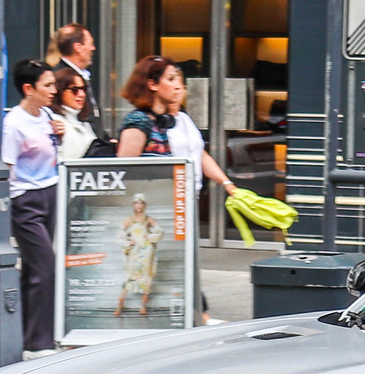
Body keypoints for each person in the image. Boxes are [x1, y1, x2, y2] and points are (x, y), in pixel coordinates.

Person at [118, 55, 241, 324]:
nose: (179, 86)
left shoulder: (181, 120)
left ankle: (196, 315)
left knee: (183, 261)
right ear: (152, 84)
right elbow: (124, 169)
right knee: (174, 262)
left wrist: (226, 183)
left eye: (180, 81)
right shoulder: (139, 122)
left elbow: (201, 154)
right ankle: (198, 316)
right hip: (159, 205)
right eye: (171, 80)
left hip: (185, 202)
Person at [0, 56, 62, 353]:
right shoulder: (13, 125)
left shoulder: (46, 114)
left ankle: (23, 334)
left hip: (50, 192)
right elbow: (6, 167)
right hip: (26, 199)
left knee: (34, 270)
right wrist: (9, 204)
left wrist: (59, 135)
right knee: (45, 266)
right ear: (28, 88)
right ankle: (39, 341)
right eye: (47, 85)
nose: (53, 90)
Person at [53, 23, 106, 145]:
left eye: (82, 89)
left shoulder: (84, 75)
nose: (93, 48)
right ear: (78, 47)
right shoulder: (58, 76)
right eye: (90, 44)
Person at [51, 65, 97, 161]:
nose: (82, 95)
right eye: (74, 90)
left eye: (83, 89)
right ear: (59, 92)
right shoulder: (55, 122)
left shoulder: (85, 124)